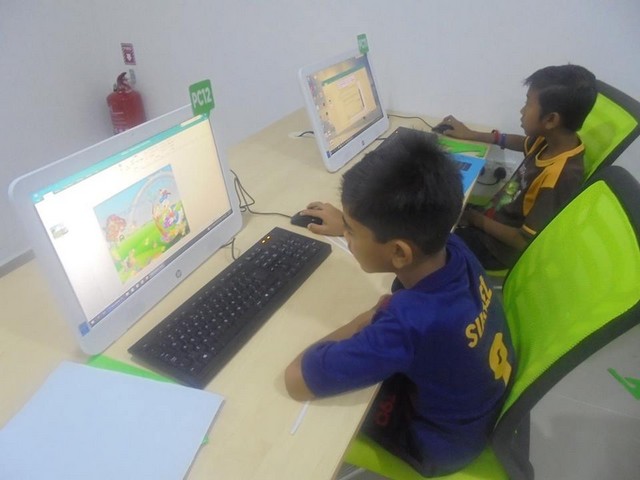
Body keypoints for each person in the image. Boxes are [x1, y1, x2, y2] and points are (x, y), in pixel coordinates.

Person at [284, 130, 516, 476]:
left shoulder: (407, 324)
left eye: (351, 230)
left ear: (399, 252)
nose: (346, 236)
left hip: (438, 445)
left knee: (303, 420)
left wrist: (367, 318)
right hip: (477, 406)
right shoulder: (454, 248)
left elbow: (297, 379)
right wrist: (350, 224)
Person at [301, 64, 598, 270]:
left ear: (551, 120)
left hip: (495, 248)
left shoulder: (560, 176)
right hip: (489, 220)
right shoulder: (552, 142)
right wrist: (476, 136)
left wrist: (473, 219)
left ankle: (352, 231)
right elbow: (523, 143)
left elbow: (523, 240)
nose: (522, 110)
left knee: (418, 239)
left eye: (528, 104)